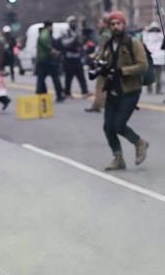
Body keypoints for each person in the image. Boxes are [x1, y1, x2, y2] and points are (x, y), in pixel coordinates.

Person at [91, 11, 149, 170]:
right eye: (112, 24)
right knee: (108, 127)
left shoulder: (133, 42)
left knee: (118, 124)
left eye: (118, 23)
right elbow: (102, 60)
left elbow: (143, 65)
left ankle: (140, 143)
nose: (116, 26)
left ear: (124, 24)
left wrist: (123, 71)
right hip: (113, 90)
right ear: (109, 26)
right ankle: (118, 158)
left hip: (130, 90)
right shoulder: (108, 43)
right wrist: (98, 67)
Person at [85, 14, 112, 113]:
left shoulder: (105, 35)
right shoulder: (110, 33)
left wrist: (95, 58)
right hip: (110, 62)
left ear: (105, 23)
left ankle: (97, 105)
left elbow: (102, 50)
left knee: (100, 86)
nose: (98, 24)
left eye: (100, 22)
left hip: (104, 62)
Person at [35, 21, 65, 103]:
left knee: (41, 78)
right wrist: (52, 50)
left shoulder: (43, 32)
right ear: (49, 26)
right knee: (54, 77)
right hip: (46, 59)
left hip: (42, 59)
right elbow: (44, 41)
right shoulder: (45, 33)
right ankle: (59, 94)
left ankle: (41, 94)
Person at [60, 15, 89, 98]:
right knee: (68, 77)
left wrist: (82, 39)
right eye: (72, 22)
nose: (74, 23)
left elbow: (81, 42)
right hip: (68, 58)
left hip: (77, 57)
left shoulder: (78, 32)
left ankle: (85, 91)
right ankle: (67, 92)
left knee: (81, 76)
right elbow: (64, 43)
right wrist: (73, 38)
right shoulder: (65, 32)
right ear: (69, 23)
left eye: (75, 22)